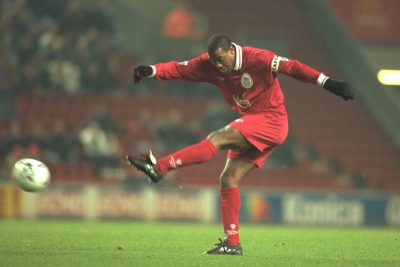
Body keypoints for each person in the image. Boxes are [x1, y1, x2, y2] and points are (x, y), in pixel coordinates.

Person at [126, 34, 354, 255]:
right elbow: (179, 69)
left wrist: (328, 83)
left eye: (221, 59)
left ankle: (159, 168)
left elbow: (292, 67)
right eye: (214, 61)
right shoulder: (210, 64)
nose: (218, 65)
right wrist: (152, 70)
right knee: (228, 179)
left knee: (218, 137)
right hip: (253, 122)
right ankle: (232, 243)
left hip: (271, 119)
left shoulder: (257, 58)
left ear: (231, 50)